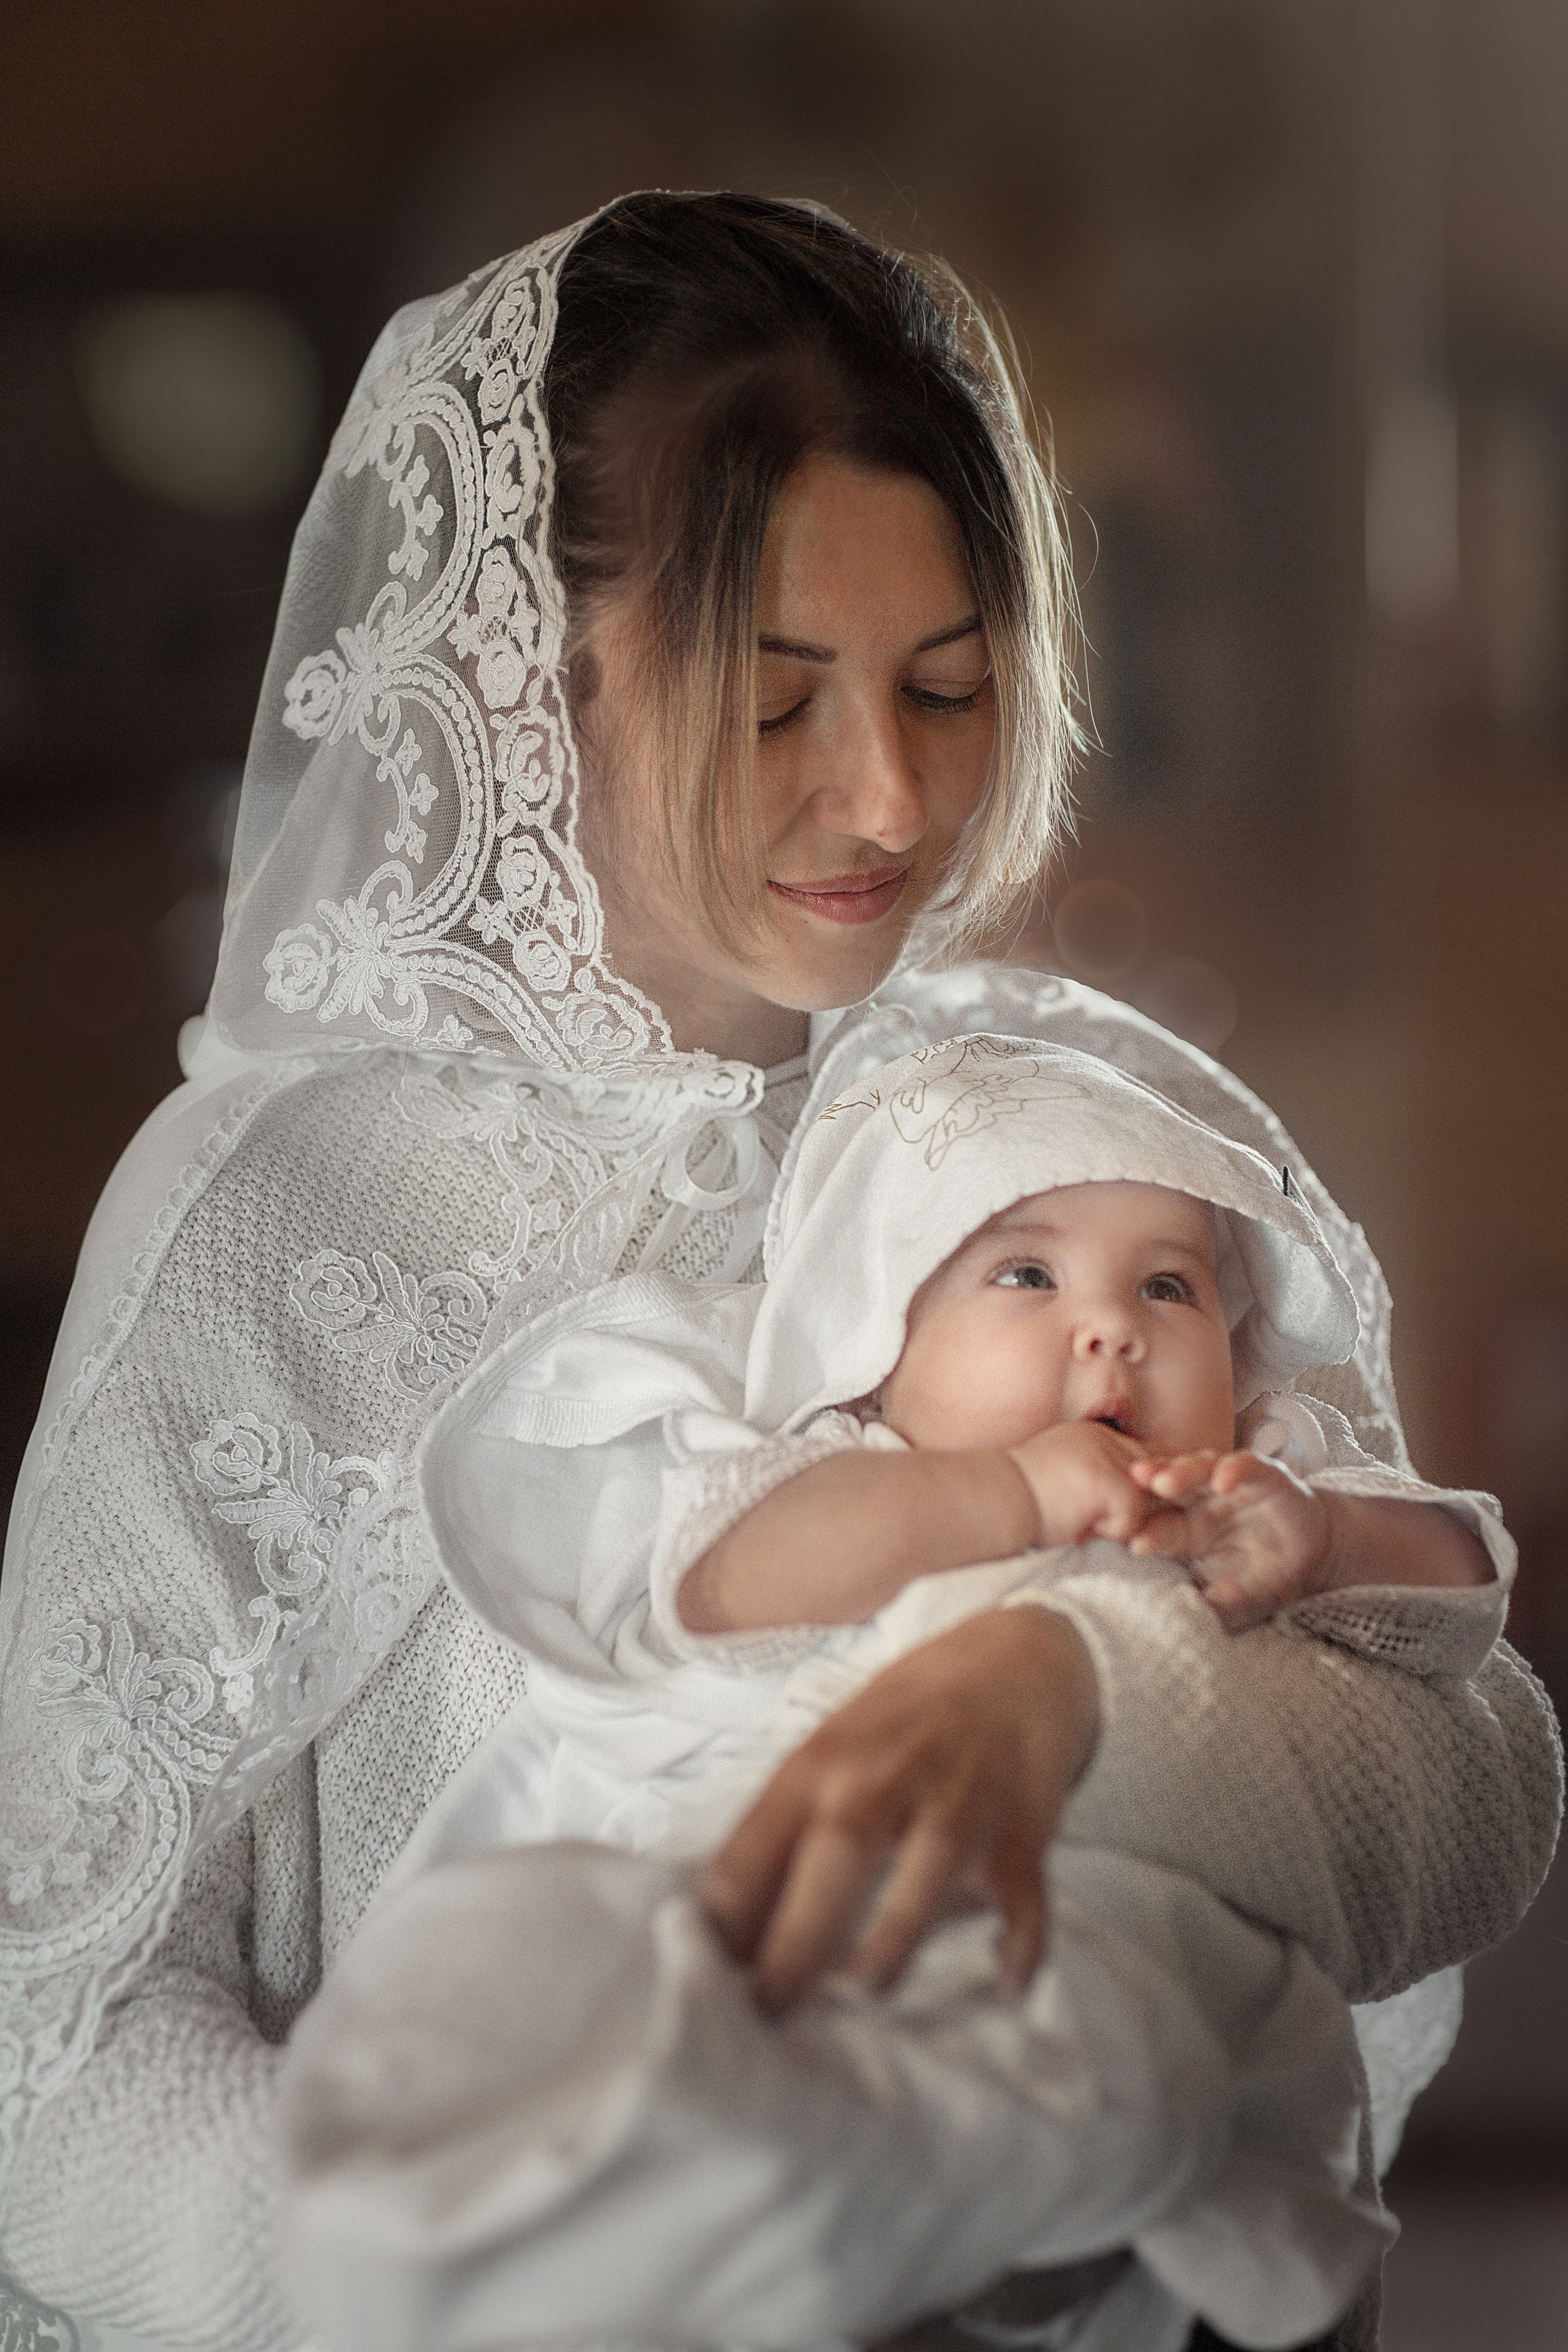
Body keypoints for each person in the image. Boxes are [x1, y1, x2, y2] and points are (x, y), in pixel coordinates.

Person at [0, 192, 1557, 2352]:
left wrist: (1067, 1695)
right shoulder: (294, 1214)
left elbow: (1470, 1773)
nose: (888, 796)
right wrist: (592, 2272)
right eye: (774, 703)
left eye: (949, 687)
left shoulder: (1034, 1131)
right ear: (526, 679)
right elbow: (46, 2047)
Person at [276, 1036, 1513, 2352]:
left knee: (1104, 2046)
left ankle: (948, 2186)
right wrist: (1008, 1494)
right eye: (1025, 1274)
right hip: (783, 1919)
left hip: (1063, 1939)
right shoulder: (849, 1466)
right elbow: (725, 1582)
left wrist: (1326, 1536)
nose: (1112, 1329)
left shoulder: (1252, 1486)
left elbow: (1459, 1588)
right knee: (493, 1947)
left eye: (1169, 1285)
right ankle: (544, 2219)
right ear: (878, 1343)